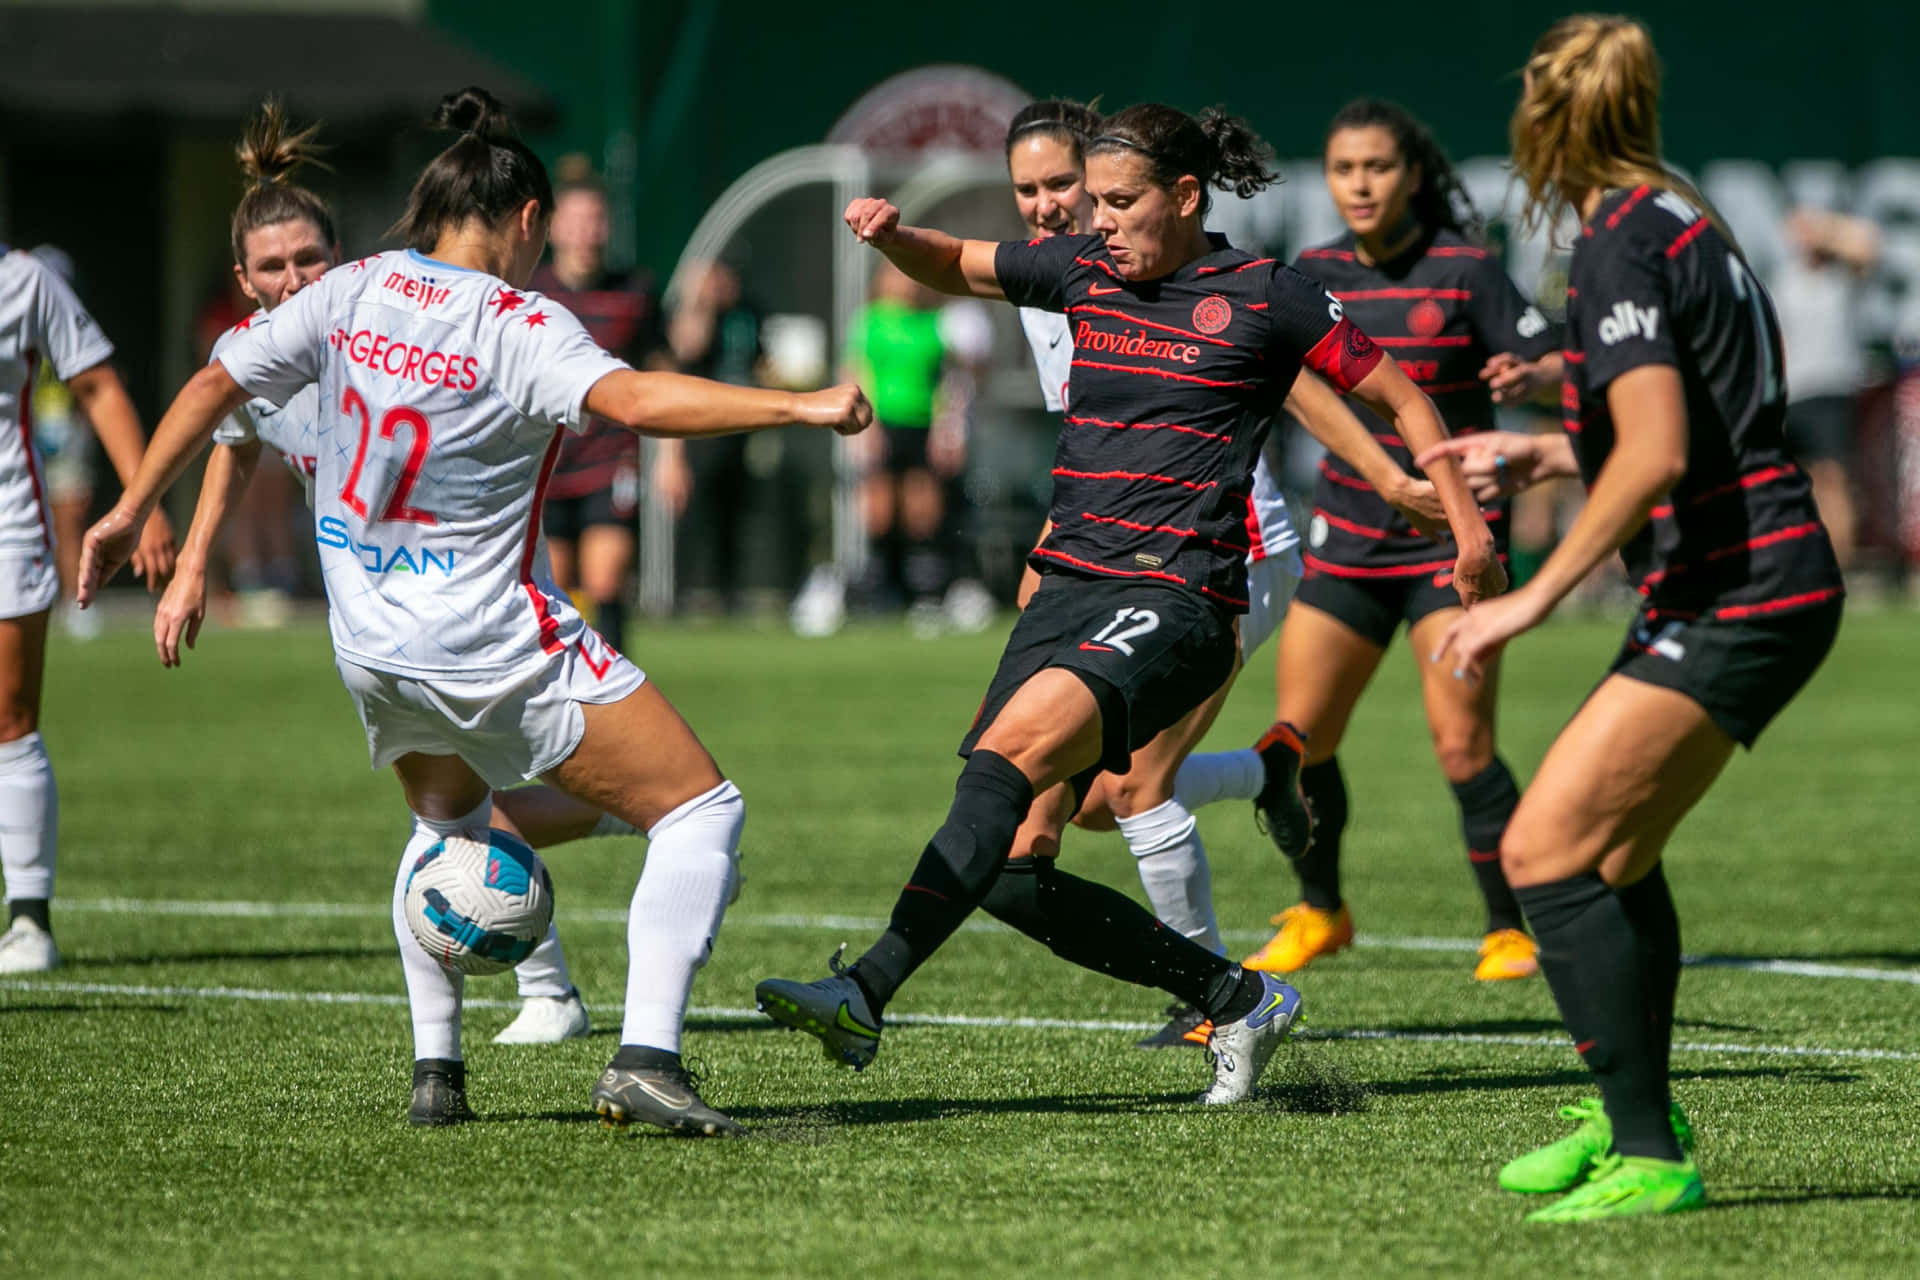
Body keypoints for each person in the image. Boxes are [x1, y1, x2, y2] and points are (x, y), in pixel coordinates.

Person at [79, 87, 872, 1135]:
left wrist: (130, 505)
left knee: (446, 826)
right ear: (528, 222)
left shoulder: (350, 288)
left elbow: (213, 384)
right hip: (484, 636)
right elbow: (635, 402)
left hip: (368, 643)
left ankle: (437, 1073)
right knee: (698, 811)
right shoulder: (521, 320)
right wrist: (800, 405)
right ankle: (645, 1057)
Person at [757, 102, 1503, 1106]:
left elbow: (1403, 396)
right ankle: (1234, 995)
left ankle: (864, 990)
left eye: (1117, 200)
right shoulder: (1082, 272)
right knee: (1015, 862)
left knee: (1016, 756)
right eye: (1088, 200)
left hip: (1181, 592)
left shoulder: (1265, 292)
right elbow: (957, 262)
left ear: (1184, 197)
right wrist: (898, 238)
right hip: (1070, 582)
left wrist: (1465, 528)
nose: (1093, 220)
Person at [1418, 16, 1844, 1221]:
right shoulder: (1682, 213)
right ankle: (1630, 1118)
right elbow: (1692, 423)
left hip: (1742, 579)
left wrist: (1528, 603)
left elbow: (1657, 452)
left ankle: (1651, 1148)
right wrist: (1551, 443)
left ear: (1543, 124)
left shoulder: (1615, 242)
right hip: (1744, 566)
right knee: (1613, 853)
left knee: (1543, 852)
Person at [152, 98, 647, 1047]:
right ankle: (558, 965)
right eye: (273, 267)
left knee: (452, 821)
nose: (295, 277)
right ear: (243, 281)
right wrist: (191, 562)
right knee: (466, 813)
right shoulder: (264, 356)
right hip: (394, 609)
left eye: (309, 259)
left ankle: (518, 1002)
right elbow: (234, 438)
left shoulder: (365, 324)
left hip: (475, 587)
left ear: (337, 260)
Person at [999, 99, 1450, 1050]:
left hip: (1227, 551)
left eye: (1063, 186)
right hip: (1124, 558)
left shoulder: (1184, 269)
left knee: (1132, 790)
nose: (1046, 205)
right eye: (1028, 190)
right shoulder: (1072, 275)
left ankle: (1215, 1006)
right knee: (1085, 804)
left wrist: (1382, 475)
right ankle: (1267, 769)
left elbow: (1285, 372)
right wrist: (1053, 551)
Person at [1216, 99, 1563, 983]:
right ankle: (1321, 911)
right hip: (1346, 546)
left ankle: (1506, 928)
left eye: (1377, 167)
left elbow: (1562, 361)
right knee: (1298, 740)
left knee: (1461, 747)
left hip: (1453, 550)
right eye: (1343, 169)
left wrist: (1538, 371)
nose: (1360, 184)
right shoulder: (1312, 272)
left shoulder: (1465, 269)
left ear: (1412, 174)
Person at [0, 244, 175, 973]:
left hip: (5, 524)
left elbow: (98, 385)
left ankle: (29, 921)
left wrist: (143, 504)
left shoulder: (22, 279)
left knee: (8, 719)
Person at [530, 172, 671, 654]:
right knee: (558, 586)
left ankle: (619, 691)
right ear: (553, 227)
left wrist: (672, 457)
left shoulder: (635, 290)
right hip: (544, 463)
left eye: (596, 219)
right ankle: (561, 696)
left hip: (611, 460)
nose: (587, 230)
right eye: (577, 219)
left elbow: (660, 374)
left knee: (606, 578)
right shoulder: (530, 294)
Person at [845, 260, 962, 619]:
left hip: (922, 423)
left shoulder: (932, 324)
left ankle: (924, 587)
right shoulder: (871, 322)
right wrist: (866, 427)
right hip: (883, 422)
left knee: (922, 506)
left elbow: (947, 380)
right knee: (880, 506)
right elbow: (857, 370)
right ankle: (883, 583)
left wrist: (947, 427)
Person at [1772, 206, 1878, 573]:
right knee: (1794, 483)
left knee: (1832, 480)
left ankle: (1838, 565)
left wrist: (1826, 229)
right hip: (1794, 392)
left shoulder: (1841, 278)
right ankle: (1800, 562)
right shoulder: (1785, 279)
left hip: (1830, 389)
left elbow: (1867, 246)